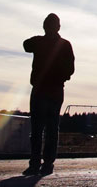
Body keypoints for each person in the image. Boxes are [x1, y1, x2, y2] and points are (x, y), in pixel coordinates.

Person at [22, 13, 75, 176]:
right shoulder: (64, 44)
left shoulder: (41, 42)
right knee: (50, 128)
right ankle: (45, 163)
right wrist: (60, 78)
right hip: (53, 90)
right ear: (58, 27)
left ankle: (37, 163)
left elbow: (26, 45)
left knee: (39, 128)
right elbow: (70, 69)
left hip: (43, 89)